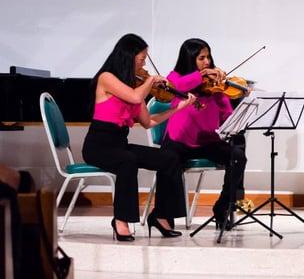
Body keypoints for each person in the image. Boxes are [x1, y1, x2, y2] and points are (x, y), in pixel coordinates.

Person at [82, 33, 196, 241]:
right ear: (128, 56)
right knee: (128, 160)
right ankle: (121, 221)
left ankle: (161, 216)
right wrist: (151, 80)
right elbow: (135, 96)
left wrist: (178, 108)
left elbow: (148, 122)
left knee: (170, 158)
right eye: (142, 58)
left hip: (120, 144)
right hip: (98, 147)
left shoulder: (135, 86)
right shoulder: (107, 78)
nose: (144, 63)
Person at [162, 38, 248, 229]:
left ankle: (222, 207)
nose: (207, 62)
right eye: (201, 58)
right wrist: (202, 76)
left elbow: (228, 117)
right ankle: (165, 215)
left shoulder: (215, 88)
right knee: (166, 159)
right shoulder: (174, 77)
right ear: (189, 59)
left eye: (208, 57)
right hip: (179, 141)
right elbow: (178, 86)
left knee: (237, 157)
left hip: (207, 142)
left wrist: (238, 98)